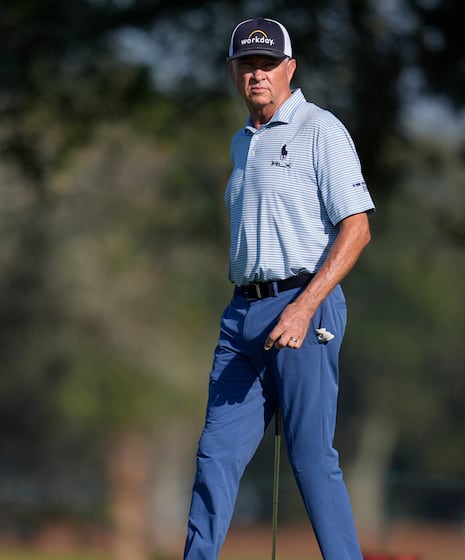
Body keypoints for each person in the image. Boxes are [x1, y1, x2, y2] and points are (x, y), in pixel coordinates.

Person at [182, 16, 375, 560]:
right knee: (215, 455)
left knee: (312, 459)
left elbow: (356, 228)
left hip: (305, 309)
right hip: (241, 313)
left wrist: (303, 308)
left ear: (290, 68)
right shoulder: (242, 142)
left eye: (268, 64)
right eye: (248, 65)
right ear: (234, 72)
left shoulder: (320, 128)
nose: (258, 74)